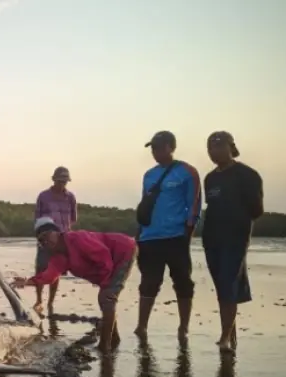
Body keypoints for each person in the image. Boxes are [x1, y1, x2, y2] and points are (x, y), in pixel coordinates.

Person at [12, 217, 137, 354]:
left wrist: (105, 284)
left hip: (123, 251)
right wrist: (27, 281)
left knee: (106, 298)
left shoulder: (77, 238)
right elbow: (49, 276)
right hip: (109, 263)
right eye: (41, 240)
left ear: (57, 232)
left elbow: (103, 256)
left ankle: (104, 347)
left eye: (47, 235)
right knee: (107, 300)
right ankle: (114, 340)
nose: (46, 241)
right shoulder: (58, 257)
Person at [134, 131, 202, 341]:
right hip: (149, 238)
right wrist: (139, 234)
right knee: (148, 282)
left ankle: (183, 327)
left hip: (176, 237)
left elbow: (194, 205)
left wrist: (188, 233)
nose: (155, 152)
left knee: (182, 282)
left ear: (171, 147)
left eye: (159, 147)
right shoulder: (149, 175)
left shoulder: (187, 172)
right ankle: (141, 326)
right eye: (152, 148)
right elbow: (145, 206)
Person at [201, 131, 264, 353]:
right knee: (221, 286)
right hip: (212, 239)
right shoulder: (210, 178)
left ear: (231, 147)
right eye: (210, 147)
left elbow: (257, 210)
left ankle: (225, 336)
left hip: (235, 238)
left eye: (219, 146)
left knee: (228, 282)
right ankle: (230, 331)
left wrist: (237, 221)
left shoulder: (247, 175)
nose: (214, 151)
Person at [32, 166, 78, 314]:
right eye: (60, 181)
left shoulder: (70, 197)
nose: (62, 184)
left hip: (63, 239)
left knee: (56, 271)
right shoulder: (43, 196)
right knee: (41, 268)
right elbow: (37, 219)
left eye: (64, 181)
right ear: (54, 180)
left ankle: (51, 303)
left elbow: (73, 218)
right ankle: (39, 300)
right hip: (45, 238)